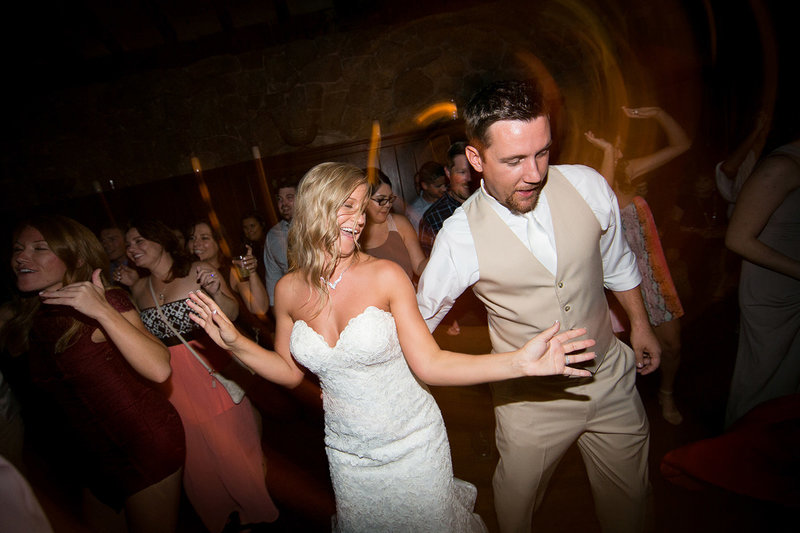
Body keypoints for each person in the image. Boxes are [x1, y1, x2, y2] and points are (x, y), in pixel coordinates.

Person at [185, 162, 597, 532]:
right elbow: (289, 371)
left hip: (412, 444)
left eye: (361, 209)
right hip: (347, 453)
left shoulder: (385, 276)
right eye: (348, 207)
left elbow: (431, 364)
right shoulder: (289, 288)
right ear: (316, 208)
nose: (358, 219)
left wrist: (519, 363)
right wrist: (235, 342)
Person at [417, 80, 661, 533]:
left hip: (610, 380)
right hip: (530, 403)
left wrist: (640, 325)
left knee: (632, 504)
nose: (533, 173)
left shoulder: (587, 185)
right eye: (514, 160)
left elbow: (617, 262)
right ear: (476, 159)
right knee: (515, 511)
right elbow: (420, 322)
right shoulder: (459, 236)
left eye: (542, 152)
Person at [2, 215, 185, 533]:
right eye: (18, 249)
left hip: (142, 444)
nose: (21, 257)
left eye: (39, 248)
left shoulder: (106, 300)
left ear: (76, 258)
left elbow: (159, 368)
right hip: (94, 455)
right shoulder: (29, 314)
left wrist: (101, 310)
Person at [124, 219, 278, 533]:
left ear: (160, 240)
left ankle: (255, 519)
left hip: (211, 373)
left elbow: (231, 313)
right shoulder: (138, 289)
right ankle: (224, 521)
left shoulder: (197, 271)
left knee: (236, 455)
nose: (132, 249)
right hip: (172, 386)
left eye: (139, 241)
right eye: (128, 245)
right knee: (199, 463)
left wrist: (217, 291)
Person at [584, 105, 691, 424]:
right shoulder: (586, 180)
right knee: (617, 353)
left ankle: (666, 393)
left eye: (618, 141)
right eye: (612, 142)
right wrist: (607, 154)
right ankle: (620, 406)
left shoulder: (630, 170)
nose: (619, 145)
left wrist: (659, 114)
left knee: (672, 344)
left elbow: (682, 144)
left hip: (653, 273)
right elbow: (604, 204)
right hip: (613, 279)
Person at [724, 138, 800, 428]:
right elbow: (737, 239)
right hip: (773, 292)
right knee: (762, 380)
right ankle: (741, 443)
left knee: (787, 379)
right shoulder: (781, 166)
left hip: (791, 284)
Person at [187, 220, 268, 317]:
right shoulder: (184, 275)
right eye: (192, 238)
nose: (196, 243)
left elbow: (259, 308)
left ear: (219, 242)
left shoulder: (232, 271)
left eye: (204, 238)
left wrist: (252, 272)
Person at [362, 169, 428, 280]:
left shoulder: (400, 224)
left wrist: (441, 246)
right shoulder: (352, 231)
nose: (388, 204)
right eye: (381, 200)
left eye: (390, 199)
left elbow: (419, 267)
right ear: (362, 199)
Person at [418, 142, 473, 256]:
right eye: (462, 172)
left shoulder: (492, 202)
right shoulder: (432, 218)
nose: (469, 178)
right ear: (448, 172)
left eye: (472, 171)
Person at [264, 182, 296, 312]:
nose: (284, 204)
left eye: (289, 197)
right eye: (280, 199)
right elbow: (272, 277)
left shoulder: (317, 227)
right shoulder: (273, 235)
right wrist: (275, 310)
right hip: (293, 303)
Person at [406, 161, 447, 232]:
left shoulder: (450, 199)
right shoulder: (415, 211)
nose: (444, 189)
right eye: (438, 186)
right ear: (425, 185)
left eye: (445, 185)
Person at [240, 211, 268, 282]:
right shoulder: (245, 249)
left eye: (252, 226)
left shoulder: (271, 242)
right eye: (245, 227)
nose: (249, 230)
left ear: (262, 225)